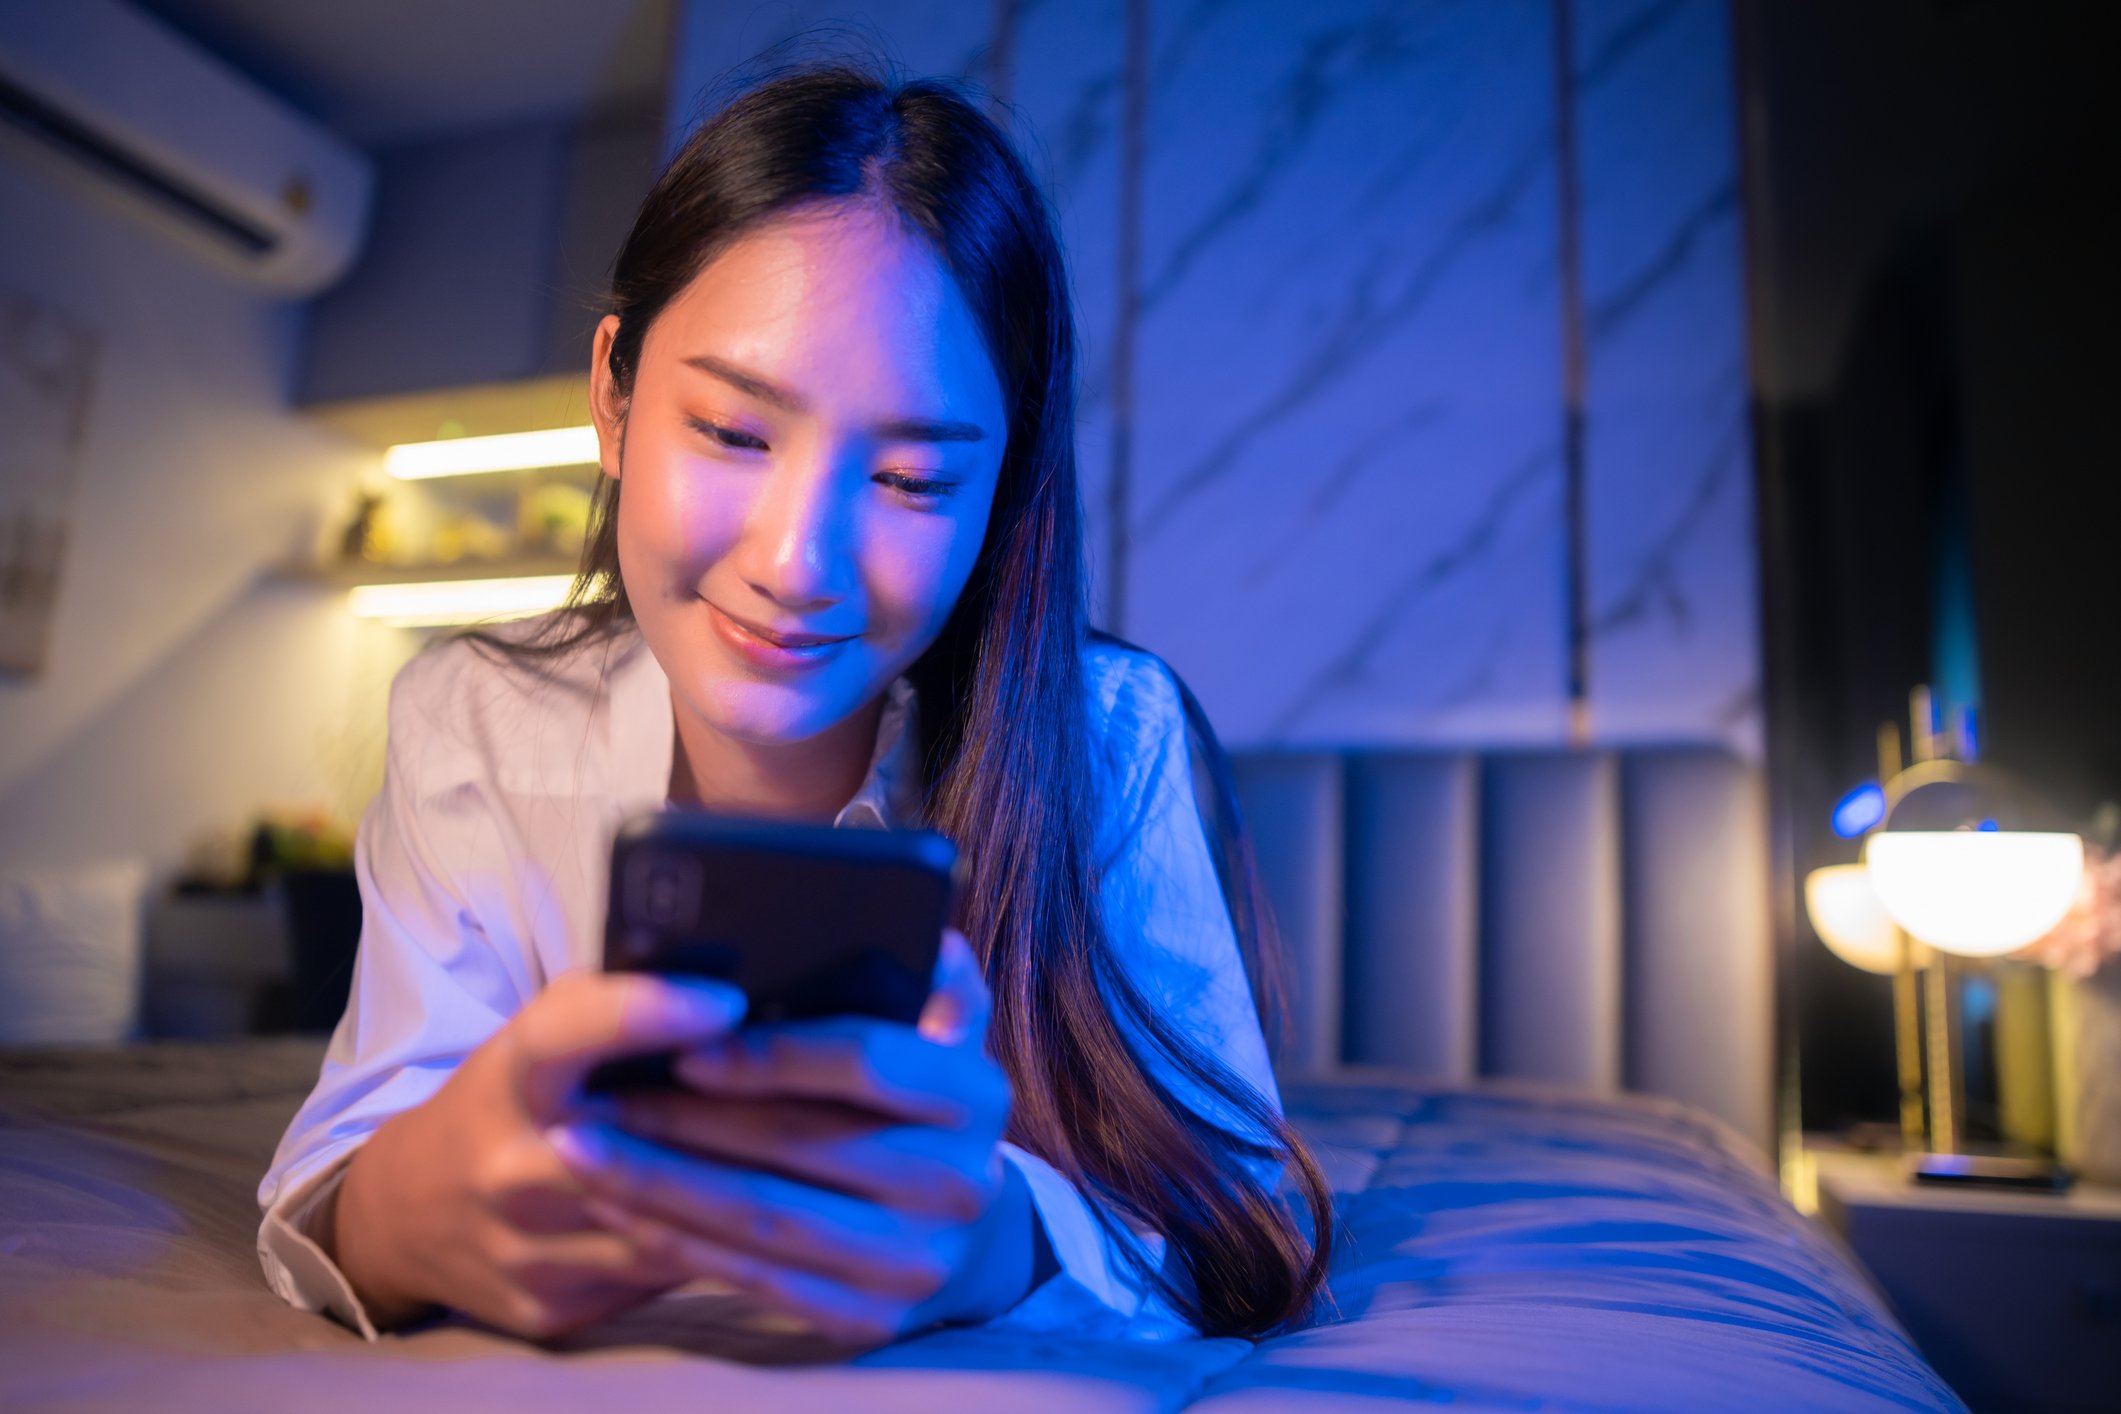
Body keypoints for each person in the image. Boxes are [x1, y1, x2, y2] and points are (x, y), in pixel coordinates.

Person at [256, 62, 1333, 1351]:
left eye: (911, 478)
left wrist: (985, 1244)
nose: (795, 564)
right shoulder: (476, 719)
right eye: (732, 433)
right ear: (613, 392)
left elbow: (1246, 1211)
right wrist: (412, 1216)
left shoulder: (1106, 738)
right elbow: (344, 1164)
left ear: (998, 498)